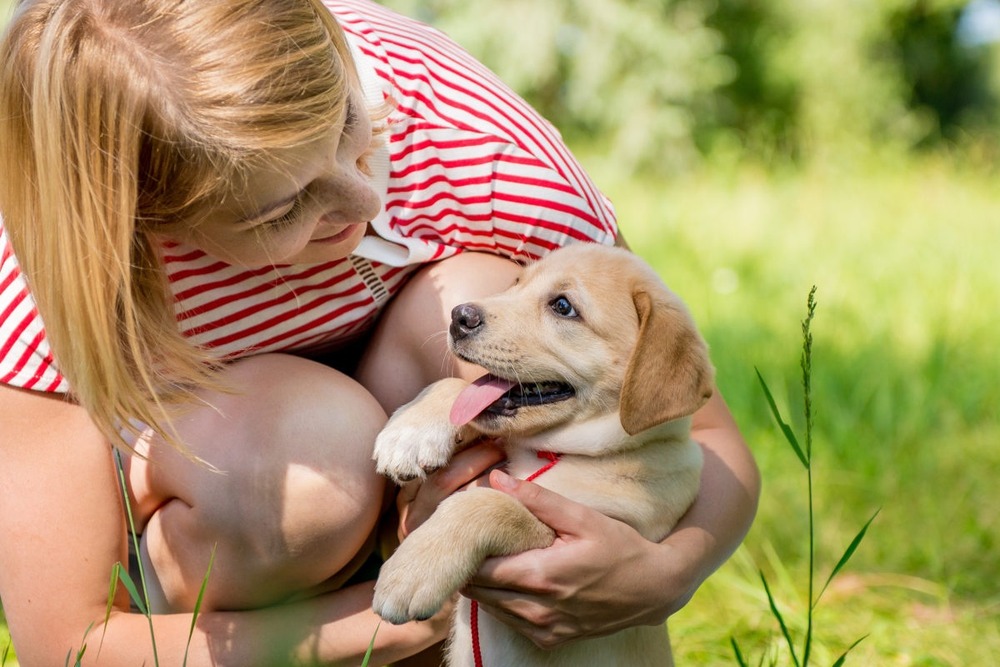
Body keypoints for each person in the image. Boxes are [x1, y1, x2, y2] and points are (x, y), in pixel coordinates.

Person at [0, 0, 760, 664]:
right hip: (249, 515)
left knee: (483, 293)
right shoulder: (53, 264)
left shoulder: (471, 135)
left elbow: (701, 433)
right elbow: (67, 643)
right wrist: (408, 623)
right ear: (152, 220)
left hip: (419, 491)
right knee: (302, 463)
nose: (367, 196)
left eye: (346, 123)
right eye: (281, 209)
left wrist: (664, 576)